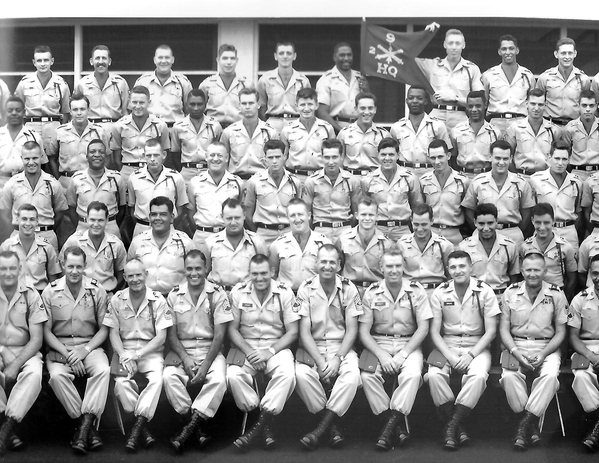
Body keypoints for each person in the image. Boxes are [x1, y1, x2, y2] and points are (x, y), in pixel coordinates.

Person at [358, 248, 432, 450]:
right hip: (379, 344)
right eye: (389, 266)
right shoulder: (371, 292)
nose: (394, 270)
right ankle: (396, 427)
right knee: (367, 376)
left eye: (398, 265)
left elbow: (423, 328)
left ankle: (389, 426)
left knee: (414, 375)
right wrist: (381, 355)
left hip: (408, 344)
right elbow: (364, 332)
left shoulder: (416, 291)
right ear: (381, 268)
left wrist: (403, 354)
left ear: (404, 267)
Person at [426, 250, 500, 450]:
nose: (458, 271)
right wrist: (450, 356)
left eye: (462, 266)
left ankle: (452, 424)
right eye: (453, 267)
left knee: (477, 376)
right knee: (433, 375)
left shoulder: (485, 291)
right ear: (448, 269)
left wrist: (471, 355)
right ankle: (457, 427)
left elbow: (491, 331)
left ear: (471, 267)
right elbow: (434, 332)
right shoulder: (440, 292)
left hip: (476, 345)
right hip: (447, 344)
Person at [41, 246, 109, 454]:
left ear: (85, 266)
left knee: (103, 370)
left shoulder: (97, 290)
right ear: (62, 265)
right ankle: (86, 427)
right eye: (70, 266)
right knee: (57, 376)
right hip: (60, 346)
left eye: (79, 267)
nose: (74, 271)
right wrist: (69, 354)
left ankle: (83, 426)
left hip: (89, 346)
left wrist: (85, 350)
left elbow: (104, 329)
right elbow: (46, 332)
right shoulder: (50, 291)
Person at [163, 250, 231, 453]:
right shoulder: (174, 295)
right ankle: (194, 425)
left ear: (206, 269)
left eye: (198, 268)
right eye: (189, 268)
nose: (194, 273)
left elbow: (219, 336)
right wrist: (184, 358)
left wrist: (206, 366)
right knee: (168, 376)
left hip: (210, 349)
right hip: (182, 350)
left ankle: (189, 427)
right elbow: (171, 335)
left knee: (219, 379)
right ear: (184, 269)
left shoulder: (217, 294)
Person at [295, 244, 362, 450]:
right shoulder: (305, 288)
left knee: (352, 376)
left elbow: (352, 330)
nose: (327, 266)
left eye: (332, 262)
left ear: (339, 265)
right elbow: (304, 332)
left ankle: (322, 427)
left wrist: (337, 359)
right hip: (312, 347)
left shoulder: (349, 288)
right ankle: (331, 425)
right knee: (300, 375)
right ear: (316, 263)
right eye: (323, 261)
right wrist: (321, 362)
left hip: (340, 347)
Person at [227, 254, 298, 451]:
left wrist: (269, 352)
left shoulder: (284, 292)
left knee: (288, 374)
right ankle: (263, 418)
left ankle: (258, 425)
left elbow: (293, 331)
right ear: (249, 274)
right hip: (245, 346)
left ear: (272, 272)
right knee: (233, 376)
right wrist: (250, 352)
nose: (260, 278)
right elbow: (232, 329)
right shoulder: (238, 292)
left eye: (264, 273)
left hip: (275, 347)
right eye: (255, 274)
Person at [499, 252, 568, 451]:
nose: (532, 274)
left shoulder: (556, 294)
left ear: (545, 271)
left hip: (546, 347)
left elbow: (561, 332)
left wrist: (544, 353)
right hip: (516, 345)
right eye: (528, 270)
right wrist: (516, 353)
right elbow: (504, 329)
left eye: (537, 270)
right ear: (522, 271)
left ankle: (524, 425)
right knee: (509, 377)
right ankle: (531, 428)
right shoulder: (510, 292)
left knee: (550, 377)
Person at [102, 258, 172, 452]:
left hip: (150, 352)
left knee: (158, 379)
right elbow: (113, 332)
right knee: (121, 384)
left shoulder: (158, 299)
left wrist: (138, 354)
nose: (135, 279)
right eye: (130, 276)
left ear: (146, 275)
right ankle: (141, 427)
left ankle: (137, 426)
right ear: (124, 277)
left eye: (138, 275)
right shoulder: (117, 299)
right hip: (125, 352)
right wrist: (124, 354)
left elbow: (161, 337)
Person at [0, 250, 47, 454]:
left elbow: (37, 339)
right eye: (3, 268)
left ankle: (7, 427)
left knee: (34, 374)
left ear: (19, 269)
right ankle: (7, 429)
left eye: (12, 268)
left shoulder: (30, 294)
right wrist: (2, 351)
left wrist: (16, 363)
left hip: (26, 350)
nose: (8, 273)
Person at [462, 140, 534, 245]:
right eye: (497, 158)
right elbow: (469, 210)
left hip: (512, 233)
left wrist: (518, 230)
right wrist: (481, 227)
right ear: (490, 157)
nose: (501, 162)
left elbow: (527, 212)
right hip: (483, 233)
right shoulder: (478, 182)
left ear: (511, 159)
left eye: (505, 158)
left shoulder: (521, 183)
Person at [0, 141, 68, 250]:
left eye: (35, 158)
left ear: (41, 157)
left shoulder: (53, 183)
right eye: (27, 159)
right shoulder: (12, 184)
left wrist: (47, 229)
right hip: (19, 237)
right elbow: (4, 213)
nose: (31, 163)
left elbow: (60, 212)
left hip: (47, 237)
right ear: (21, 158)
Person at [416, 25, 484, 130]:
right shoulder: (432, 65)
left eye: (457, 43)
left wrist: (455, 98)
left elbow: (479, 100)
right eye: (450, 43)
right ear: (444, 45)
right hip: (436, 115)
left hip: (460, 116)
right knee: (433, 145)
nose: (454, 47)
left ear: (463, 45)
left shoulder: (472, 69)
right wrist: (424, 35)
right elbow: (407, 57)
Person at [128, 196, 196, 297]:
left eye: (163, 214)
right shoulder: (137, 242)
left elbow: (195, 273)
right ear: (149, 217)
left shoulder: (185, 242)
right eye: (154, 214)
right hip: (146, 300)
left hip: (177, 301)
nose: (158, 218)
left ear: (172, 217)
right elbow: (129, 269)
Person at [360, 137, 422, 242]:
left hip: (402, 229)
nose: (387, 158)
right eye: (383, 154)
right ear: (378, 155)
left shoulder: (410, 178)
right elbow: (365, 207)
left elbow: (417, 206)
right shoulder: (367, 180)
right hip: (378, 229)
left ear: (398, 155)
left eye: (391, 154)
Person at [61, 201, 126, 296]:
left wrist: (113, 292)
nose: (96, 224)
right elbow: (63, 268)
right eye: (92, 220)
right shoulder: (74, 241)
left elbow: (121, 272)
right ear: (87, 219)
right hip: (81, 296)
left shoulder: (116, 244)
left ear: (107, 220)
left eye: (100, 220)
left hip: (107, 295)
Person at [200, 198, 267, 291]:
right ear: (222, 217)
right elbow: (204, 272)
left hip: (247, 295)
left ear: (244, 215)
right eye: (229, 218)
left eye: (237, 218)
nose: (233, 222)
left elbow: (265, 273)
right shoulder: (210, 243)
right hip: (218, 295)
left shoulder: (257, 243)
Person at [244, 139, 301, 247]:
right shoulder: (254, 182)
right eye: (270, 157)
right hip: (264, 234)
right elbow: (248, 213)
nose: (274, 161)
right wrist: (259, 231)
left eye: (278, 157)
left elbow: (299, 210)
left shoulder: (295, 182)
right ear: (265, 159)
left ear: (285, 156)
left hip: (289, 233)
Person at [301, 138, 362, 240]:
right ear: (321, 157)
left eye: (334, 157)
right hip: (320, 231)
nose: (331, 162)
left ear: (341, 157)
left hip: (345, 230)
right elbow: (307, 213)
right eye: (327, 157)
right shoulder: (311, 182)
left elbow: (356, 212)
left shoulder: (352, 180)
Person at [568, 255, 599, 451]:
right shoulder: (580, 299)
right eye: (595, 273)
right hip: (586, 348)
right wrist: (591, 356)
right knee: (580, 376)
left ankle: (595, 428)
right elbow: (573, 337)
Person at [528, 141, 583, 252]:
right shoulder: (535, 180)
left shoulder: (576, 182)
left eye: (564, 159)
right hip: (544, 229)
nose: (560, 163)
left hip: (569, 232)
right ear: (549, 158)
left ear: (569, 160)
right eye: (557, 158)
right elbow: (530, 209)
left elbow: (578, 211)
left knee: (570, 265)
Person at [66, 138, 126, 238]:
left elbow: (122, 208)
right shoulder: (76, 179)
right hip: (83, 228)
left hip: (110, 228)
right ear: (86, 156)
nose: (97, 155)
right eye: (92, 152)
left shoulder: (117, 178)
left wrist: (110, 223)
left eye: (101, 152)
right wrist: (81, 224)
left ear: (106, 156)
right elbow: (71, 208)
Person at [14, 45, 71, 152]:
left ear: (52, 61)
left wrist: (62, 132)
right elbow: (17, 109)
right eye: (39, 60)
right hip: (31, 127)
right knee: (31, 159)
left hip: (54, 128)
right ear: (34, 62)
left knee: (53, 162)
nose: (43, 64)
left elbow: (66, 112)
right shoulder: (24, 83)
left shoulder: (61, 83)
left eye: (46, 60)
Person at [127, 139, 188, 236]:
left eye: (156, 155)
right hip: (142, 229)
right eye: (148, 155)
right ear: (144, 156)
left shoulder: (176, 177)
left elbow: (180, 208)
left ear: (164, 155)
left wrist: (169, 224)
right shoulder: (134, 178)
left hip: (168, 229)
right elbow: (131, 208)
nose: (152, 159)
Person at [187, 141, 243, 247]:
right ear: (206, 157)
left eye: (220, 155)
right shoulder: (194, 183)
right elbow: (191, 213)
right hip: (202, 238)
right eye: (212, 155)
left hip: (228, 237)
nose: (216, 159)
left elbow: (240, 210)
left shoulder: (237, 183)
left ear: (227, 158)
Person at [46, 93, 110, 185]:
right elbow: (51, 158)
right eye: (75, 109)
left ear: (88, 110)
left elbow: (107, 157)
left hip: (91, 182)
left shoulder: (99, 132)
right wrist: (58, 179)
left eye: (82, 109)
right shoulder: (59, 132)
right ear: (70, 111)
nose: (79, 113)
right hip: (66, 181)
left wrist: (98, 177)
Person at [269, 199, 331, 292]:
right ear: (287, 218)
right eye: (292, 215)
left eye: (300, 214)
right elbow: (272, 275)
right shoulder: (277, 245)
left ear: (309, 215)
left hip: (314, 297)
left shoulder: (324, 243)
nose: (297, 219)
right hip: (287, 299)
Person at [389, 85, 451, 178]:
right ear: (406, 101)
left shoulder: (438, 126)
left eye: (419, 98)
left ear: (426, 101)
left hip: (431, 174)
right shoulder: (396, 127)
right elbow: (392, 154)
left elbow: (447, 153)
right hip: (404, 174)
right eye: (411, 98)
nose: (414, 101)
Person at [518, 203, 577, 301]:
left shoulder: (565, 247)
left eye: (546, 222)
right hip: (531, 297)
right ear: (532, 221)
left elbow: (572, 279)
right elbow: (521, 276)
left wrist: (563, 298)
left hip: (557, 296)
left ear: (553, 221)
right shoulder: (525, 247)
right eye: (538, 222)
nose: (542, 227)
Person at [110, 85, 170, 181]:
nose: (137, 106)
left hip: (153, 172)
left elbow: (165, 153)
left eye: (142, 102)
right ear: (129, 102)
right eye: (134, 102)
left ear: (149, 103)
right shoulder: (119, 126)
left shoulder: (160, 125)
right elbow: (116, 155)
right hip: (127, 173)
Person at [458, 203, 520, 294]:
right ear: (475, 222)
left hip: (500, 295)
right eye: (481, 224)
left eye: (490, 223)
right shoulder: (464, 247)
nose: (486, 228)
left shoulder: (509, 246)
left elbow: (514, 276)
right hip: (475, 297)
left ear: (496, 221)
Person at [481, 35, 535, 138]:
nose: (508, 52)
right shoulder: (488, 75)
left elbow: (532, 102)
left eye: (511, 48)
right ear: (499, 51)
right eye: (504, 49)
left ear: (517, 50)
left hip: (520, 122)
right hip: (495, 123)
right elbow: (484, 103)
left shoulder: (528, 75)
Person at [335, 197, 391, 295]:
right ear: (357, 215)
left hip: (376, 292)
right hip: (349, 292)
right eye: (363, 214)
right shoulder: (343, 240)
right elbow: (337, 269)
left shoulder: (386, 244)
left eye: (371, 215)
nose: (367, 218)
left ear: (377, 216)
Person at [420, 139, 470, 245]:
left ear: (448, 155)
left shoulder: (462, 181)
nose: (437, 162)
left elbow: (468, 211)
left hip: (454, 234)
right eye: (433, 158)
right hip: (431, 234)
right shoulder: (424, 181)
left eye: (440, 157)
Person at [0, 204, 61, 292]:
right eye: (24, 219)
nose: (28, 223)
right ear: (17, 220)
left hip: (39, 297)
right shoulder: (6, 247)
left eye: (32, 219)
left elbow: (53, 279)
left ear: (37, 221)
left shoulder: (47, 247)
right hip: (14, 296)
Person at [280, 88, 335, 183]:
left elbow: (333, 155)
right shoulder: (287, 130)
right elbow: (283, 157)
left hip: (321, 178)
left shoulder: (326, 128)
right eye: (302, 105)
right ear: (296, 106)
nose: (306, 109)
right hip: (295, 178)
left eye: (310, 104)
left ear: (316, 105)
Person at [221, 88, 277, 181]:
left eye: (251, 103)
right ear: (239, 105)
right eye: (244, 103)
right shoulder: (229, 132)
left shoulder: (270, 132)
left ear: (258, 104)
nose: (247, 107)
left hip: (262, 182)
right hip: (236, 182)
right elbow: (223, 161)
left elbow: (275, 161)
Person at [396, 203, 453, 296]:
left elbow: (450, 274)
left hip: (436, 293)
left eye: (424, 224)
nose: (419, 229)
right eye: (416, 224)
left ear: (432, 221)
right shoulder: (402, 244)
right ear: (411, 221)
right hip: (410, 293)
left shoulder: (444, 245)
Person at [257, 42, 311, 134]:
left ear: (294, 56)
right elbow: (261, 107)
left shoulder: (303, 81)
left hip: (296, 124)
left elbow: (308, 106)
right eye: (281, 53)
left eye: (289, 53)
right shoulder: (265, 80)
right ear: (275, 56)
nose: (285, 56)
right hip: (272, 125)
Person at [505, 89, 562, 176]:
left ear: (546, 105)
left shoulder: (554, 130)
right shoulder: (515, 128)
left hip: (545, 178)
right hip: (522, 176)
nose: (536, 108)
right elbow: (508, 156)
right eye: (533, 104)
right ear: (526, 104)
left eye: (540, 104)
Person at [134, 44, 192, 129]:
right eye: (160, 57)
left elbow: (189, 111)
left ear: (173, 60)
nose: (163, 61)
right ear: (154, 60)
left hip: (175, 131)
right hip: (148, 131)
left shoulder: (183, 83)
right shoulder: (143, 82)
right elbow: (134, 109)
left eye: (167, 57)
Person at [316, 42, 369, 133]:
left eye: (349, 55)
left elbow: (368, 104)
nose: (346, 58)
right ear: (334, 57)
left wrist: (367, 89)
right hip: (337, 127)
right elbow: (322, 113)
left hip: (360, 127)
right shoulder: (326, 79)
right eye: (342, 55)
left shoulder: (360, 77)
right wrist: (341, 131)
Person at [536, 37, 591, 125]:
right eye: (563, 53)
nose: (567, 57)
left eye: (570, 53)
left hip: (574, 127)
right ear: (556, 54)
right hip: (550, 126)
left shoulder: (583, 79)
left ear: (575, 54)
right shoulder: (545, 77)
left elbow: (587, 105)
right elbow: (537, 102)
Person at [170, 89, 223, 182]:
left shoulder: (215, 125)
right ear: (186, 104)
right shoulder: (178, 126)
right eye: (192, 104)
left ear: (205, 104)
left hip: (209, 172)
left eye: (199, 104)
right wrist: (182, 170)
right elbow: (175, 153)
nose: (196, 108)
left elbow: (220, 151)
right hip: (187, 173)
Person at [199, 44, 254, 129]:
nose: (229, 62)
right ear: (218, 60)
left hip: (239, 130)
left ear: (237, 60)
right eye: (225, 58)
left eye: (232, 58)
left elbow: (253, 111)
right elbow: (199, 109)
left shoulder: (246, 85)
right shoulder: (207, 85)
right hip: (213, 129)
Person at [75, 45, 130, 130]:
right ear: (91, 61)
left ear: (109, 61)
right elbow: (76, 110)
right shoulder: (82, 84)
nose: (101, 62)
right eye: (97, 58)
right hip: (90, 130)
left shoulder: (120, 83)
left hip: (115, 129)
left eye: (104, 58)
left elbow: (125, 111)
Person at [337, 92, 390, 176]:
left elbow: (388, 162)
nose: (366, 112)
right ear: (355, 109)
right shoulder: (344, 133)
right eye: (362, 108)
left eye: (370, 108)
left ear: (375, 109)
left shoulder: (383, 135)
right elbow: (339, 160)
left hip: (374, 180)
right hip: (351, 179)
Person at [450, 91, 501, 178]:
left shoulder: (495, 132)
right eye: (470, 106)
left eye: (478, 106)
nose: (474, 110)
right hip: (463, 176)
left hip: (486, 177)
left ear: (485, 105)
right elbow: (452, 157)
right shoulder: (456, 131)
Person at [0, 96, 47, 190]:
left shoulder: (33, 137)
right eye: (10, 110)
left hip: (26, 185)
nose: (14, 113)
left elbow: (43, 166)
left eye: (18, 110)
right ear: (5, 113)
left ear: (24, 112)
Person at [563, 90, 599, 180]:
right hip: (576, 172)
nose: (587, 109)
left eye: (591, 105)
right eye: (584, 105)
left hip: (597, 172)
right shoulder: (570, 128)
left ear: (596, 106)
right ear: (578, 105)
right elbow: (566, 151)